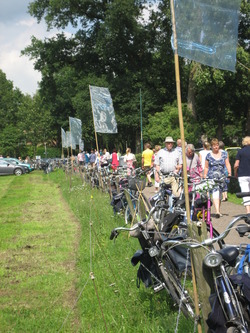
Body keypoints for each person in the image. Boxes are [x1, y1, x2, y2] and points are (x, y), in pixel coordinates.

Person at [203, 138, 231, 218]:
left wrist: (229, 173)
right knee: (215, 192)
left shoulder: (224, 154)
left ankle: (218, 209)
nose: (216, 147)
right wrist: (205, 175)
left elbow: (227, 164)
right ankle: (217, 211)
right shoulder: (208, 156)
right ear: (211, 146)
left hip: (222, 177)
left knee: (219, 194)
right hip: (212, 177)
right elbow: (206, 167)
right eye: (214, 145)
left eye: (217, 145)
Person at [234, 136, 250, 213]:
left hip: (243, 175)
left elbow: (236, 165)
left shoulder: (240, 151)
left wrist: (235, 173)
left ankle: (248, 211)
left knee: (245, 192)